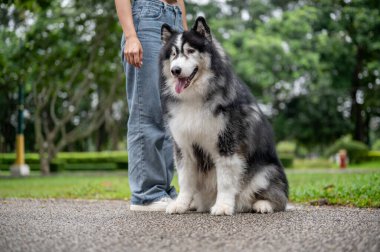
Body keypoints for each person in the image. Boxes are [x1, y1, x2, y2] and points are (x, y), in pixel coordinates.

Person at [115, 0, 188, 211]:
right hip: (147, 20)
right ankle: (146, 194)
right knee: (146, 112)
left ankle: (163, 190)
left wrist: (184, 34)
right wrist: (130, 36)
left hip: (173, 18)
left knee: (170, 118)